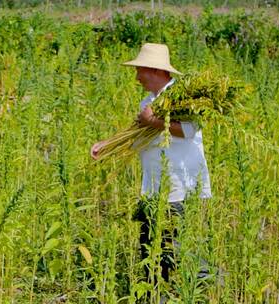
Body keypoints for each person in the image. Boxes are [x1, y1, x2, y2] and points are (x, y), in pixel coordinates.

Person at [90, 43, 212, 284]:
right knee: (150, 251)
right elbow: (138, 135)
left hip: (180, 188)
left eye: (140, 71)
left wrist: (154, 121)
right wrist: (108, 145)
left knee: (180, 251)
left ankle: (209, 289)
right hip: (153, 190)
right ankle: (155, 297)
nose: (136, 77)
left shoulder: (183, 97)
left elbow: (189, 130)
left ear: (156, 71)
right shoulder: (148, 102)